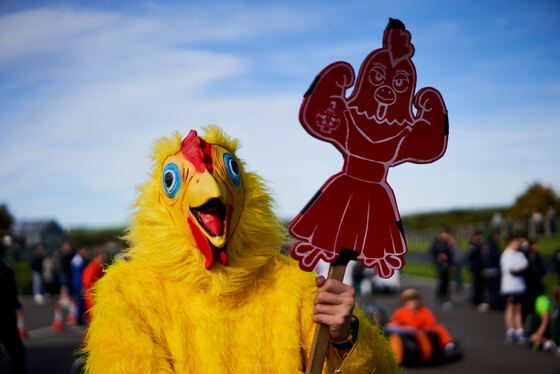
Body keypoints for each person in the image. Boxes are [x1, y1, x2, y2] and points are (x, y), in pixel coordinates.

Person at [83, 127, 398, 373]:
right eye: (173, 180)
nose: (210, 186)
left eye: (229, 171)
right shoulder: (129, 295)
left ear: (245, 190)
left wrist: (346, 337)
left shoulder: (296, 286)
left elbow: (377, 371)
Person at [388, 288, 456, 352]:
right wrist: (406, 328)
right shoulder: (400, 312)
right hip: (408, 336)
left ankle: (447, 344)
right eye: (410, 300)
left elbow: (431, 324)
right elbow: (392, 325)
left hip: (423, 334)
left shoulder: (425, 311)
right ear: (405, 302)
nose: (413, 302)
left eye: (415, 300)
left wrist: (419, 329)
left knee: (439, 327)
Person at [0, 241, 26, 373]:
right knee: (18, 352)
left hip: (7, 318)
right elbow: (12, 295)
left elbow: (12, 295)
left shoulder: (7, 272)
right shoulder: (6, 272)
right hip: (7, 318)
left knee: (17, 353)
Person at [500, 233, 528, 344]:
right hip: (509, 287)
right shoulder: (506, 255)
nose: (518, 244)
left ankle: (519, 330)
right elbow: (510, 270)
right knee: (510, 308)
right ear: (510, 243)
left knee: (518, 308)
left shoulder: (519, 254)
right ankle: (510, 331)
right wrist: (519, 269)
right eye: (516, 242)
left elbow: (525, 264)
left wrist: (520, 269)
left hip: (519, 286)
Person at [82, 246, 107, 321]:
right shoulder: (93, 267)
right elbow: (87, 282)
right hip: (92, 297)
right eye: (104, 255)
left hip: (96, 296)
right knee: (95, 319)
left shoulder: (99, 266)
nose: (105, 257)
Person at [431, 228, 452, 307]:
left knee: (446, 282)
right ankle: (439, 298)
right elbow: (432, 252)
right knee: (442, 281)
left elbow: (453, 254)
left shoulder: (449, 243)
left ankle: (446, 298)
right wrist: (438, 257)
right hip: (440, 265)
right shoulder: (436, 243)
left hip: (447, 265)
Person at [482, 231, 501, 310]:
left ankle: (491, 303)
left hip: (488, 269)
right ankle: (494, 303)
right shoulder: (493, 245)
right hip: (493, 269)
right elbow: (496, 257)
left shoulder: (486, 245)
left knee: (490, 288)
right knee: (494, 288)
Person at [71, 246, 89, 325]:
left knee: (80, 302)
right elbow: (78, 275)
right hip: (79, 284)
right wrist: (82, 286)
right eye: (85, 250)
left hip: (77, 283)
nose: (86, 253)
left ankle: (79, 319)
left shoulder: (78, 259)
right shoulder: (78, 259)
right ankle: (78, 320)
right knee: (80, 302)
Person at [468, 231, 485, 309]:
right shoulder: (473, 246)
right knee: (477, 285)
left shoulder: (480, 245)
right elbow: (471, 256)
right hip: (475, 269)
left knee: (480, 285)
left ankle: (479, 299)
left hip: (480, 268)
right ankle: (476, 301)